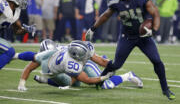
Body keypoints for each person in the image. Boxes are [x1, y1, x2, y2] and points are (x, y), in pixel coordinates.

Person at [85, 0, 175, 100]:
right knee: (116, 64)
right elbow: (106, 15)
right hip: (126, 36)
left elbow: (155, 13)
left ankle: (165, 88)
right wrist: (93, 28)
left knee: (156, 60)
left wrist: (154, 30)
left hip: (143, 36)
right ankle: (100, 80)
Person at [15, 39, 143, 91]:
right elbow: (29, 66)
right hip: (76, 67)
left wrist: (109, 66)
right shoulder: (49, 56)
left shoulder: (68, 57)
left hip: (86, 64)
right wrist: (22, 82)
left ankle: (127, 76)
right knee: (71, 83)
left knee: (102, 85)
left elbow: (84, 78)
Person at [0, 0, 36, 69]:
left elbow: (16, 31)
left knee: (6, 54)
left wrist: (27, 30)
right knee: (9, 51)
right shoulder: (3, 6)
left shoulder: (15, 11)